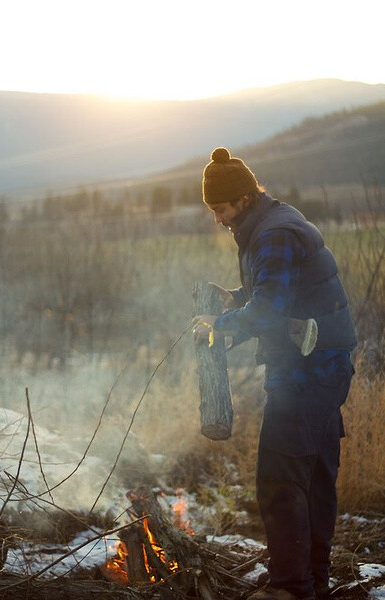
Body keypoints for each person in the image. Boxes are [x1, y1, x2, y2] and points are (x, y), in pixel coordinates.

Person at [193, 147, 357, 600]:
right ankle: (311, 579)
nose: (218, 219)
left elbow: (268, 310)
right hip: (323, 364)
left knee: (280, 477)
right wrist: (234, 300)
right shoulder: (271, 221)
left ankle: (290, 587)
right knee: (314, 476)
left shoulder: (274, 234)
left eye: (221, 209)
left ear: (243, 198)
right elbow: (270, 289)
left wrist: (219, 328)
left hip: (309, 369)